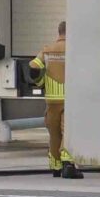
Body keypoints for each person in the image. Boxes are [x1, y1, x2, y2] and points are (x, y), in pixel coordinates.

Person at [29, 23, 76, 179]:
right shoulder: (75, 48)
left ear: (59, 32)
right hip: (70, 98)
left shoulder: (47, 50)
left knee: (54, 134)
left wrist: (40, 82)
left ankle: (56, 167)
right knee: (68, 131)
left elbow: (33, 67)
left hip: (52, 99)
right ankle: (68, 164)